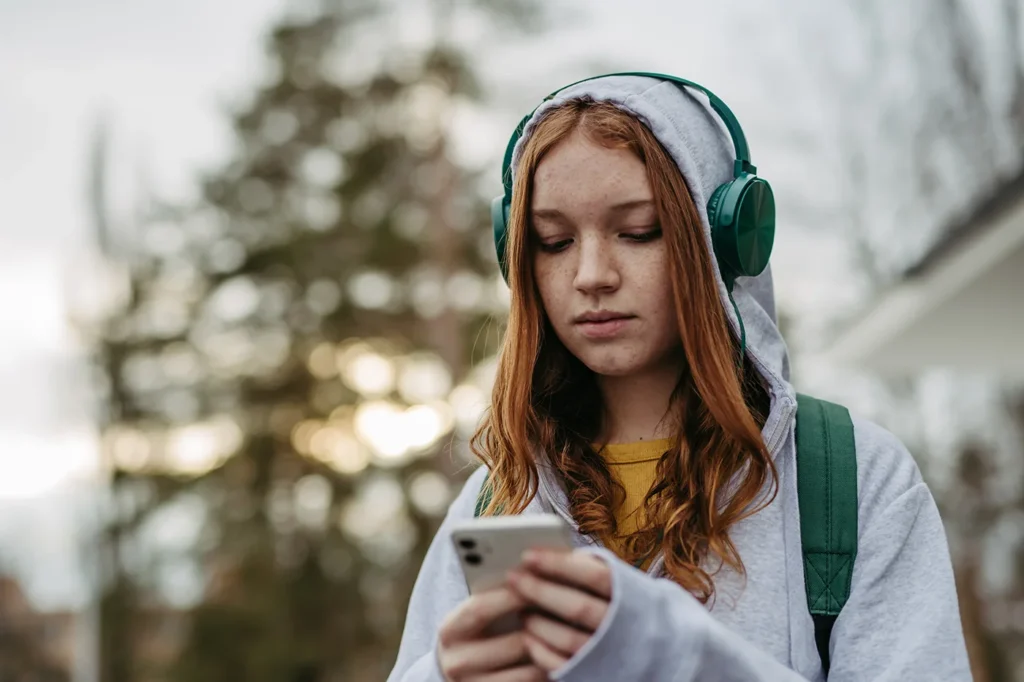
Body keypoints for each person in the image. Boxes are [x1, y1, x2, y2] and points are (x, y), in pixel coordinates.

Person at [386, 73, 971, 681]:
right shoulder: (495, 502)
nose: (591, 274)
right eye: (553, 241)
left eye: (638, 231)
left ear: (725, 242)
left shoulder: (852, 483)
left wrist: (676, 657)